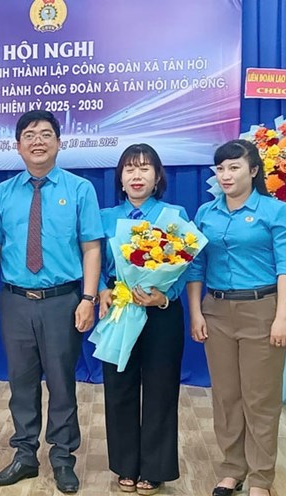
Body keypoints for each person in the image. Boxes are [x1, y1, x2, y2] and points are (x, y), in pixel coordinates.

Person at [0, 110, 102, 494]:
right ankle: (25, 455)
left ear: (59, 143)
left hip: (62, 300)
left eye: (46, 134)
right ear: (17, 146)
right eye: (29, 135)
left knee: (63, 383)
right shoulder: (2, 193)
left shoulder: (80, 190)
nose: (37, 141)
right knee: (21, 383)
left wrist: (89, 298)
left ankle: (63, 457)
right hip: (14, 300)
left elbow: (92, 247)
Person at [187, 139, 286, 496]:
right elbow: (195, 265)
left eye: (234, 167)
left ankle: (261, 477)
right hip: (216, 311)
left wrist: (282, 317)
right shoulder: (205, 214)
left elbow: (284, 267)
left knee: (260, 398)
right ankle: (233, 468)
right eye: (221, 168)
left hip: (263, 310)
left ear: (254, 170)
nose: (226, 175)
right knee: (227, 396)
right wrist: (196, 312)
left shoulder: (274, 212)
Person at [95, 144, 188, 495]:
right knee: (119, 388)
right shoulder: (104, 217)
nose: (137, 176)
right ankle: (125, 464)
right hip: (120, 310)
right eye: (130, 169)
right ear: (120, 178)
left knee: (161, 390)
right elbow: (90, 260)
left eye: (145, 169)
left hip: (161, 314)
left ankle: (156, 467)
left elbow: (185, 268)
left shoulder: (173, 214)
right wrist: (104, 289)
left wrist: (165, 296)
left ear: (158, 177)